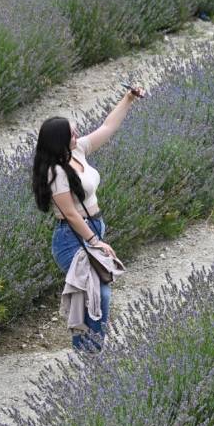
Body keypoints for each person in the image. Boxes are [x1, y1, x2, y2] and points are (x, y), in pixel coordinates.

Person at [31, 84, 146, 351]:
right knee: (97, 293)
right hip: (73, 238)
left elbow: (107, 128)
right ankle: (90, 354)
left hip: (92, 228)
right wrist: (95, 241)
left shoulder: (77, 152)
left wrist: (128, 99)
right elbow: (70, 213)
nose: (77, 133)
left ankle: (89, 352)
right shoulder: (55, 172)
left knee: (95, 294)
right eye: (72, 132)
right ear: (60, 140)